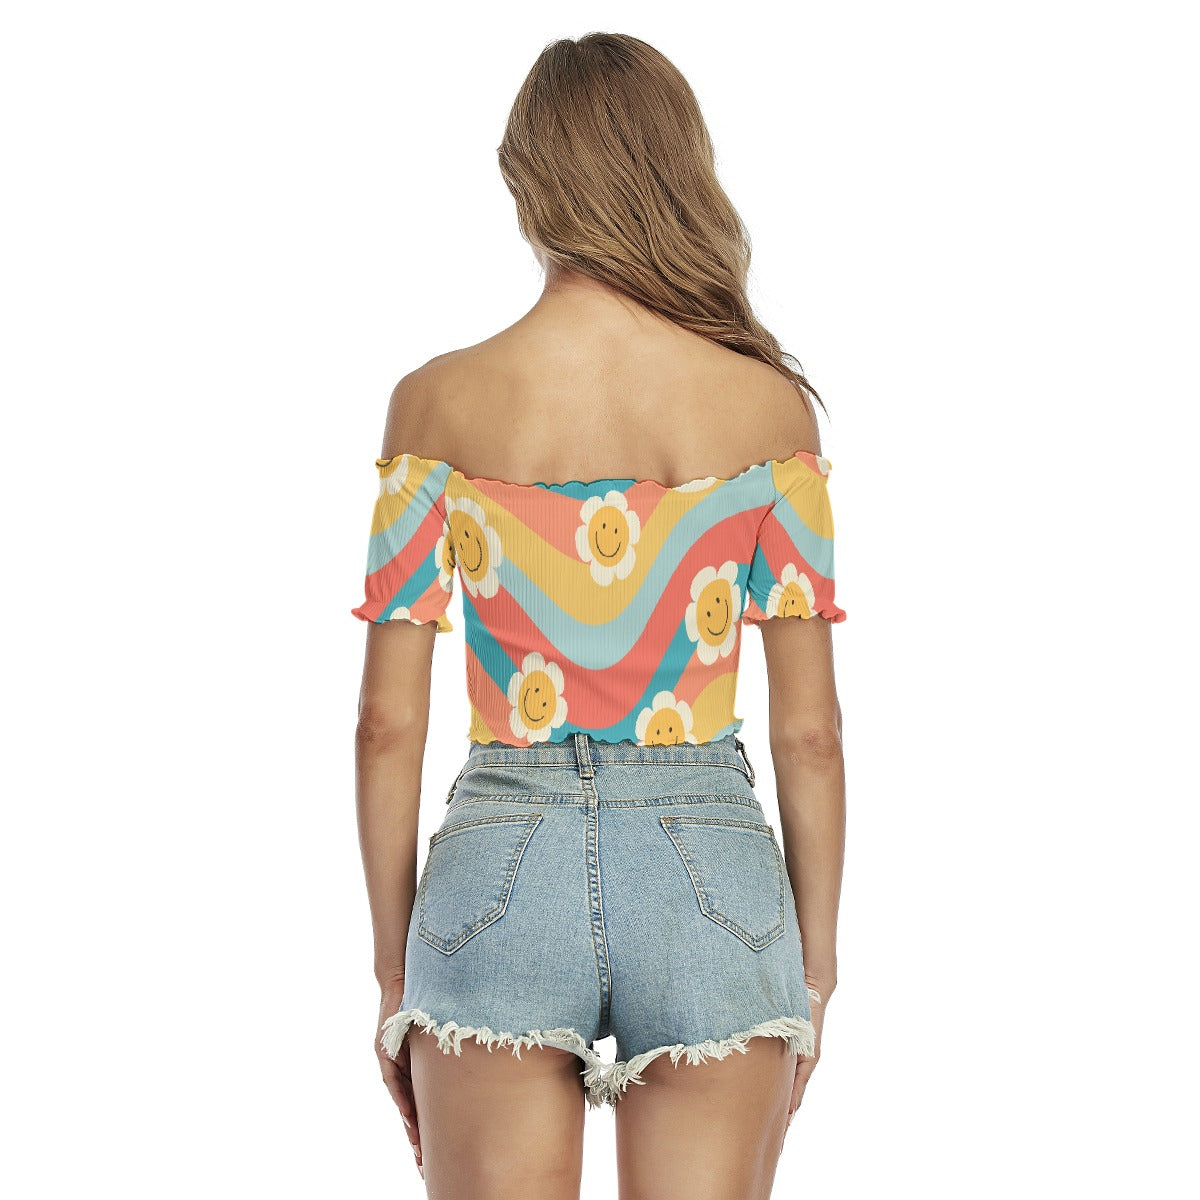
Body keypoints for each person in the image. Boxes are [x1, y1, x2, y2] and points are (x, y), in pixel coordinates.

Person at [351, 32, 847, 1199]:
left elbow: (386, 725)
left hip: (496, 870)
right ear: (680, 171)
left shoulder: (435, 402)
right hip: (712, 872)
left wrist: (394, 973)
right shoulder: (767, 406)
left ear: (528, 182)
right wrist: (814, 969)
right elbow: (811, 734)